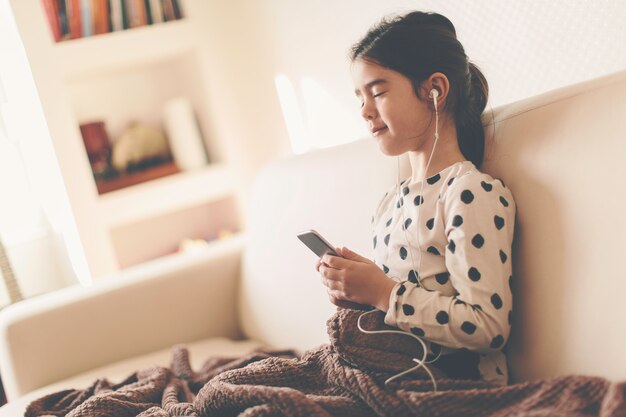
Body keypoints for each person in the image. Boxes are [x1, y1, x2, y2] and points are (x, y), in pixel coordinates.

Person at [315, 11, 516, 386]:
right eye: (359, 97)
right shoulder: (390, 202)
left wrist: (384, 292)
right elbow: (399, 309)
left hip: (451, 383)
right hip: (396, 370)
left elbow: (489, 326)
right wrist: (360, 291)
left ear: (434, 91)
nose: (364, 110)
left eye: (377, 92)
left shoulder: (468, 193)